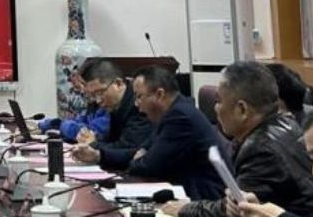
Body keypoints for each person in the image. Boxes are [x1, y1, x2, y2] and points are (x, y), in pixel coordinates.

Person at [169, 61, 313, 217]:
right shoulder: (288, 123)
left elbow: (236, 213)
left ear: (242, 109)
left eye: (219, 101)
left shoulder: (261, 150)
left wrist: (184, 210)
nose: (215, 108)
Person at [72, 65, 223, 201]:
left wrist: (140, 158)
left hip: (203, 201)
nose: (136, 104)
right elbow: (138, 152)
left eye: (139, 97)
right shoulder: (170, 113)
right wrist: (99, 155)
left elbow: (148, 166)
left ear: (159, 94)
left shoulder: (180, 117)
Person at [73, 58, 151, 150]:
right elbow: (112, 141)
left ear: (118, 83)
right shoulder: (115, 105)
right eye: (93, 95)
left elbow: (127, 149)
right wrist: (93, 139)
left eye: (100, 93)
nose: (98, 101)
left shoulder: (140, 105)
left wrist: (94, 144)